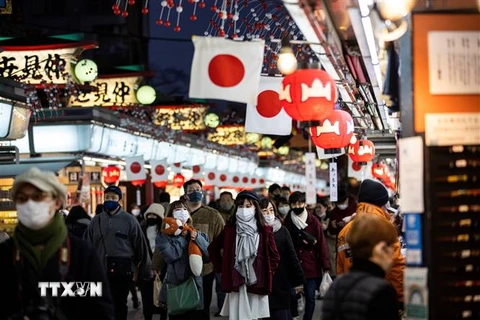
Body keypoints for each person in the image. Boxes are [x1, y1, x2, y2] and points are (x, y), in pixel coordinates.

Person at [0, 167, 114, 319]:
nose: (30, 204)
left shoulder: (81, 253)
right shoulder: (5, 254)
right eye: (22, 198)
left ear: (57, 202)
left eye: (38, 196)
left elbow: (101, 310)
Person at [208, 190, 280, 320]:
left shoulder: (264, 229)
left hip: (257, 281)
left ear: (255, 208)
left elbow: (275, 256)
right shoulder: (230, 229)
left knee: (254, 316)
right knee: (238, 316)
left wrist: (268, 271)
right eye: (241, 206)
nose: (244, 210)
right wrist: (221, 268)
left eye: (248, 206)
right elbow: (213, 248)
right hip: (236, 281)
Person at [84, 185, 152, 320]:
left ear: (119, 200)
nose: (109, 200)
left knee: (120, 304)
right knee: (101, 305)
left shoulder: (130, 220)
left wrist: (146, 271)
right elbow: (86, 245)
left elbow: (140, 246)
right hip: (99, 270)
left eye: (113, 197)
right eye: (107, 197)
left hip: (122, 270)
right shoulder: (96, 221)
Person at [336, 179, 405, 307]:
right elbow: (396, 266)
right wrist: (401, 299)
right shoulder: (385, 228)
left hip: (349, 298)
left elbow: (340, 269)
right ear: (381, 204)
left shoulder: (343, 232)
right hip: (379, 298)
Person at [322, 214, 400, 320]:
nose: (393, 254)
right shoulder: (382, 291)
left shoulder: (335, 286)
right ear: (380, 248)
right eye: (391, 247)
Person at [156, 200, 210, 319]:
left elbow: (208, 257)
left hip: (195, 286)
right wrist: (183, 237)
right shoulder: (163, 236)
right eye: (178, 210)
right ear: (170, 214)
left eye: (185, 209)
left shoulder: (198, 234)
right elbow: (170, 256)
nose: (182, 212)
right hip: (176, 286)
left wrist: (197, 239)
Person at [284, 191, 330, 320]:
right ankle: (294, 315)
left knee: (310, 296)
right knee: (292, 295)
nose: (297, 206)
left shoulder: (313, 221)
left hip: (311, 264)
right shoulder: (287, 222)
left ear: (304, 203)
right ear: (290, 205)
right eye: (294, 204)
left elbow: (321, 243)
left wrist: (325, 265)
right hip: (293, 265)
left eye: (300, 203)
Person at [183, 179, 225, 320]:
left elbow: (222, 242)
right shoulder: (176, 213)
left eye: (198, 190)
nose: (195, 193)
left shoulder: (213, 215)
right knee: (181, 308)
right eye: (191, 190)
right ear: (185, 195)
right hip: (181, 270)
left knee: (202, 309)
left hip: (205, 270)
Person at [260, 198, 305, 320]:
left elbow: (292, 256)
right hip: (262, 285)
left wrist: (298, 280)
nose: (269, 214)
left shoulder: (282, 230)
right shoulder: (255, 233)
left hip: (281, 282)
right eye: (264, 211)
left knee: (282, 315)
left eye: (271, 210)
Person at [140, 203, 166, 320]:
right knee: (147, 298)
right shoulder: (141, 229)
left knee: (162, 297)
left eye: (154, 215)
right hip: (146, 269)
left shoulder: (165, 232)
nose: (151, 217)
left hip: (163, 270)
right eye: (149, 215)